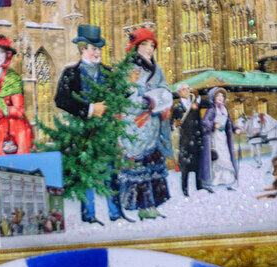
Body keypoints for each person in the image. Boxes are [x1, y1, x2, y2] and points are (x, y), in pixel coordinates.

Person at [55, 24, 127, 224]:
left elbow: (121, 96)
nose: (97, 52)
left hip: (106, 132)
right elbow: (61, 99)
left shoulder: (109, 73)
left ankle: (115, 213)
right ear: (82, 49)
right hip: (82, 133)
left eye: (99, 49)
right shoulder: (71, 73)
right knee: (86, 175)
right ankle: (89, 215)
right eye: (93, 48)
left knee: (110, 171)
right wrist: (88, 109)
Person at [117, 28, 173, 219]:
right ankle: (141, 205)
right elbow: (125, 96)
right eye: (144, 45)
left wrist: (162, 98)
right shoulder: (128, 69)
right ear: (136, 47)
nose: (149, 49)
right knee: (140, 166)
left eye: (151, 45)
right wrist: (144, 102)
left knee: (153, 165)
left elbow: (165, 88)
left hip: (155, 125)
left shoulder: (158, 69)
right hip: (137, 127)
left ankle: (153, 204)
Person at [0, 36, 34, 155]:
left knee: (19, 167)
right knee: (1, 169)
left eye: (1, 52)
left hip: (16, 129)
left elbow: (19, 111)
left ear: (7, 55)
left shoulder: (13, 78)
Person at [172, 81, 206, 196]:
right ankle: (185, 189)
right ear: (179, 93)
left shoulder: (195, 102)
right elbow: (172, 123)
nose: (188, 91)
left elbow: (205, 104)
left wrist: (198, 97)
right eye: (185, 89)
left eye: (188, 88)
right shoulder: (177, 107)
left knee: (197, 163)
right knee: (185, 166)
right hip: (185, 140)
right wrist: (174, 125)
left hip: (196, 137)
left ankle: (199, 185)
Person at [200, 87, 239, 190]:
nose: (220, 98)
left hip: (223, 137)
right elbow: (205, 122)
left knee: (225, 156)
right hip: (214, 137)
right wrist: (213, 125)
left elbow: (229, 122)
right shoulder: (212, 109)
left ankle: (227, 180)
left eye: (222, 96)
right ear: (213, 98)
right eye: (218, 96)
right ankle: (215, 180)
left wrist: (235, 129)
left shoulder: (224, 109)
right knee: (217, 158)